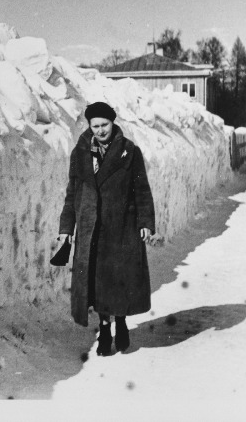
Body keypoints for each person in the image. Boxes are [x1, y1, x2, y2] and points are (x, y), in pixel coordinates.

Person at [56, 101, 156, 356]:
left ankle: (120, 323)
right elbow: (72, 193)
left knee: (119, 280)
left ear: (113, 123)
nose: (100, 130)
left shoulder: (129, 151)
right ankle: (104, 329)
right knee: (97, 283)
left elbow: (142, 189)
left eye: (105, 125)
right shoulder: (79, 154)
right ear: (89, 126)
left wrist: (145, 223)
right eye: (95, 126)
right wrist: (67, 227)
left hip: (122, 227)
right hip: (92, 229)